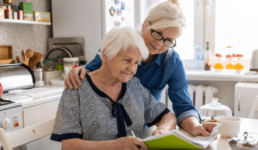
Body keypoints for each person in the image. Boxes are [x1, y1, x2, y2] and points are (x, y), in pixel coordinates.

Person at [64, 0, 217, 137]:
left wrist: (196, 127)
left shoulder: (172, 62)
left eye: (169, 40)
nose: (160, 44)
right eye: (158, 33)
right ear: (145, 24)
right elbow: (90, 73)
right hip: (102, 133)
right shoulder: (120, 44)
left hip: (139, 131)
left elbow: (183, 106)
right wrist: (79, 71)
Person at [51, 27, 177, 150]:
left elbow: (168, 117)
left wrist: (162, 130)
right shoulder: (76, 88)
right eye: (127, 60)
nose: (132, 69)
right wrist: (116, 146)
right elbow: (69, 145)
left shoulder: (134, 86)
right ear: (106, 55)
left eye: (136, 63)